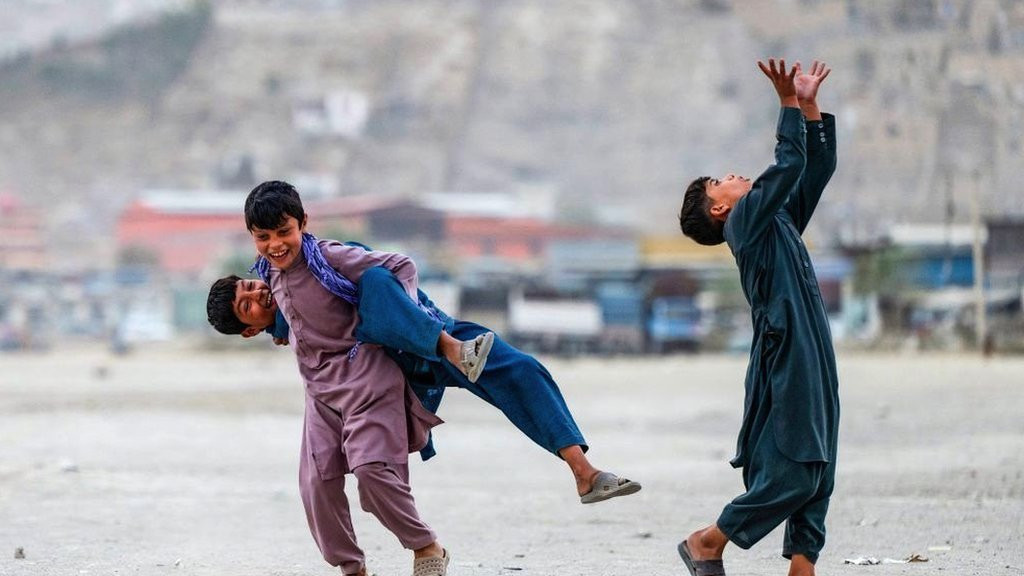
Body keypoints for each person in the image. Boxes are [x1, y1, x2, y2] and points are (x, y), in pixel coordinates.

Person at [207, 208, 641, 504]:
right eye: (249, 305)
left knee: (521, 370)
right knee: (376, 284)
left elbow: (356, 254)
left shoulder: (313, 260)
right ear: (250, 330)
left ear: (300, 225)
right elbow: (303, 334)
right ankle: (409, 548)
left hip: (429, 326)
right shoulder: (293, 323)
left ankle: (584, 473)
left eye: (250, 286)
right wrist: (280, 325)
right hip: (396, 366)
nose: (259, 292)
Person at [228, 181, 452, 576]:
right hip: (320, 394)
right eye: (263, 237)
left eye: (284, 232)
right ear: (252, 237)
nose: (276, 244)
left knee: (372, 472)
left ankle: (425, 546)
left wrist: (402, 318)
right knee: (316, 485)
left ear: (303, 224)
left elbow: (401, 266)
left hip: (367, 381)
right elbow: (272, 312)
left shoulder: (329, 257)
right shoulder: (269, 275)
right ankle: (352, 568)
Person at [675, 59, 839, 576]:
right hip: (787, 349)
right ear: (720, 210)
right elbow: (788, 164)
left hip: (812, 346)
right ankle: (710, 539)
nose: (734, 176)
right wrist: (787, 102)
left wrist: (810, 107)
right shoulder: (744, 224)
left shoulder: (776, 220)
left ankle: (802, 564)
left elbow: (814, 170)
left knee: (821, 461)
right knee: (795, 467)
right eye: (722, 181)